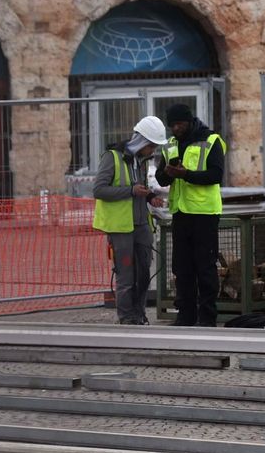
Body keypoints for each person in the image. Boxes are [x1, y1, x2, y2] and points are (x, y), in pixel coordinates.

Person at [93, 115, 167, 325]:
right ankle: (127, 318)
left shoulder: (141, 161)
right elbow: (99, 190)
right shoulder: (112, 158)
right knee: (126, 277)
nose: (152, 151)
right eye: (151, 146)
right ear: (141, 141)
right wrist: (131, 191)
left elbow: (139, 188)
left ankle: (139, 315)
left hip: (142, 225)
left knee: (143, 275)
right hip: (121, 228)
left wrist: (150, 197)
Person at [161, 103, 227, 327]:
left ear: (189, 122)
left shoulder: (211, 140)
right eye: (172, 125)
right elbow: (161, 178)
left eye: (179, 124)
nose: (175, 129)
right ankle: (185, 316)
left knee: (205, 268)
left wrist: (185, 174)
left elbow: (216, 175)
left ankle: (207, 318)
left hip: (205, 214)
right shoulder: (171, 144)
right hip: (181, 214)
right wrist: (168, 174)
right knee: (182, 268)